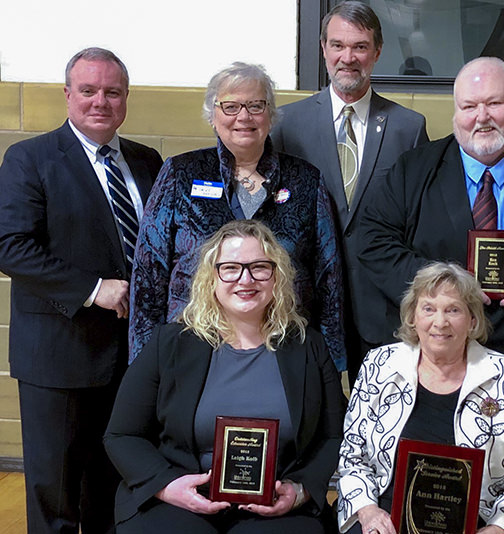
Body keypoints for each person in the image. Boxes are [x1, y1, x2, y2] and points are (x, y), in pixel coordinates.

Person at [0, 47, 163, 533]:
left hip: (132, 357)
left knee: (113, 486)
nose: (100, 102)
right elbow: (9, 246)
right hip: (59, 356)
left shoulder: (147, 160)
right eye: (88, 91)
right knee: (56, 493)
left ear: (127, 98)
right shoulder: (30, 158)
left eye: (112, 92)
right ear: (67, 94)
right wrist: (94, 289)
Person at [105, 219, 346, 533]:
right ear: (211, 278)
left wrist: (301, 491)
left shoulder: (307, 346)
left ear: (277, 276)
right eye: (230, 268)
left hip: (275, 504)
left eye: (259, 267)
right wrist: (167, 486)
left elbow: (335, 434)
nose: (245, 279)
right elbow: (122, 435)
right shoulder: (171, 343)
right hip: (178, 497)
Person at [358, 57, 504, 364]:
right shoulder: (413, 170)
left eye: (494, 103)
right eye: (469, 107)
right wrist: (438, 286)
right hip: (435, 357)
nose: (482, 117)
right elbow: (373, 243)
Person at [129, 62, 345, 369]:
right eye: (230, 106)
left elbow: (328, 278)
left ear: (270, 115)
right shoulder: (181, 173)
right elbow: (149, 272)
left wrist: (332, 362)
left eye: (255, 106)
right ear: (212, 116)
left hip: (284, 349)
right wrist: (144, 364)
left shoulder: (305, 180)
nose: (243, 117)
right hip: (191, 349)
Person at [271, 0, 429, 383]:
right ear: (323, 48)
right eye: (338, 45)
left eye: (359, 46)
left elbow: (419, 219)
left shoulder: (408, 127)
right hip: (304, 301)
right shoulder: (286, 124)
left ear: (376, 53)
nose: (348, 57)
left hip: (381, 304)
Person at [337, 262, 504, 534]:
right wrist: (369, 512)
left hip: (476, 525)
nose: (440, 322)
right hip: (386, 522)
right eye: (429, 309)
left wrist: (499, 529)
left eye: (453, 310)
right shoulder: (380, 365)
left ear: (473, 320)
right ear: (412, 316)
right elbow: (353, 457)